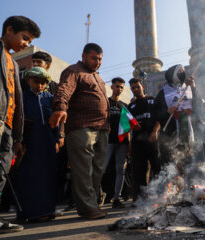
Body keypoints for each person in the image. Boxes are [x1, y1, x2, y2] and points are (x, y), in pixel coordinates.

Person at [49, 43, 109, 220]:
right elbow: (64, 90)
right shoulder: (74, 71)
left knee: (97, 170)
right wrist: (60, 107)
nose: (97, 62)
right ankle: (87, 208)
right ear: (84, 56)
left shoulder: (97, 77)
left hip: (102, 129)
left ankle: (92, 204)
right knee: (83, 170)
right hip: (82, 128)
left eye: (100, 59)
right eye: (94, 58)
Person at [0, 15, 40, 233]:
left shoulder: (14, 63)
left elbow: (18, 103)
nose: (26, 44)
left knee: (1, 173)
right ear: (9, 30)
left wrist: (17, 137)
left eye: (29, 41)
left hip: (7, 128)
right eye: (24, 38)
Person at [16, 67, 58, 222]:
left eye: (43, 82)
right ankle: (30, 213)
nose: (40, 85)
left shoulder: (50, 98)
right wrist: (17, 140)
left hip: (47, 142)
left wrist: (57, 139)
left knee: (48, 175)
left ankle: (47, 210)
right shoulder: (22, 98)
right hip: (29, 143)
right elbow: (18, 121)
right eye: (36, 82)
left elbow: (56, 121)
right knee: (30, 176)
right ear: (28, 81)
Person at [127, 78, 160, 202]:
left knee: (157, 168)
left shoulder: (152, 100)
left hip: (152, 140)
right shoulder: (130, 106)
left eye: (137, 87)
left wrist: (155, 132)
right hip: (137, 142)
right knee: (139, 171)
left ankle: (162, 197)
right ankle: (140, 200)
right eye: (133, 88)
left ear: (143, 87)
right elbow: (126, 125)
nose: (136, 89)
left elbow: (159, 118)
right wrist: (133, 127)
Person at [102, 77, 129, 208]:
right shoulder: (105, 102)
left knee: (120, 170)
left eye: (121, 87)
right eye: (117, 86)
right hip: (107, 141)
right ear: (112, 87)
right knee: (101, 168)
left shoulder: (125, 106)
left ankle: (116, 198)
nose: (119, 89)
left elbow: (128, 126)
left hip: (122, 142)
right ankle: (96, 196)